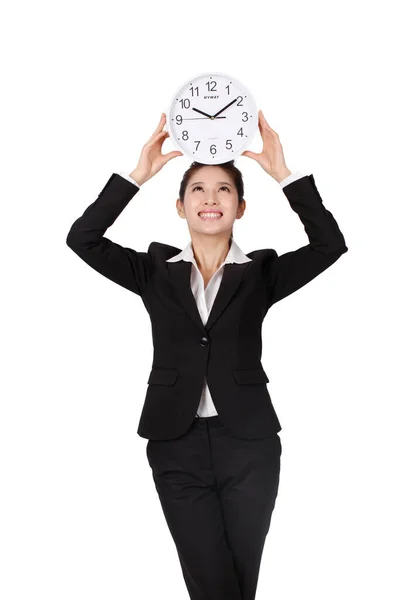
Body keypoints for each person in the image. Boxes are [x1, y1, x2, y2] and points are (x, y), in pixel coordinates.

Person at [66, 110, 348, 600]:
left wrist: (284, 174)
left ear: (240, 207)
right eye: (198, 189)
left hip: (250, 447)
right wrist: (138, 175)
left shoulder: (262, 273)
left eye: (224, 190)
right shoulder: (153, 271)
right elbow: (82, 239)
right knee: (212, 582)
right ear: (180, 206)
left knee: (240, 582)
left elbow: (330, 245)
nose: (211, 198)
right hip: (176, 445)